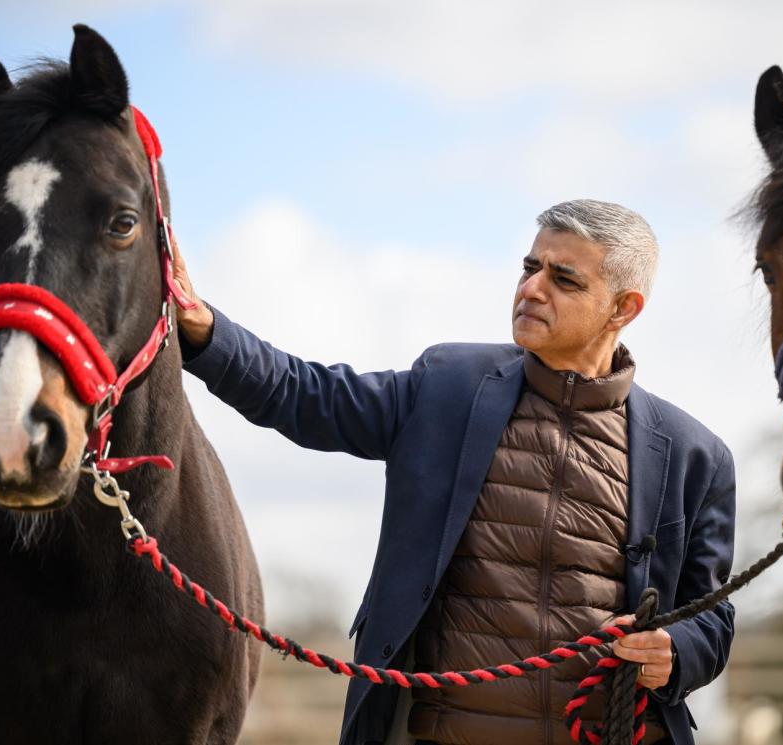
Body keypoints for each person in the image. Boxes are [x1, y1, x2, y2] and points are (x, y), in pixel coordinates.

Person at [172, 199, 736, 745]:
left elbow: (712, 620)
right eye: (529, 267)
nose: (532, 288)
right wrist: (205, 330)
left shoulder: (695, 457)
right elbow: (307, 396)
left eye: (564, 279)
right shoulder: (447, 385)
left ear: (624, 309)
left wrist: (674, 651)